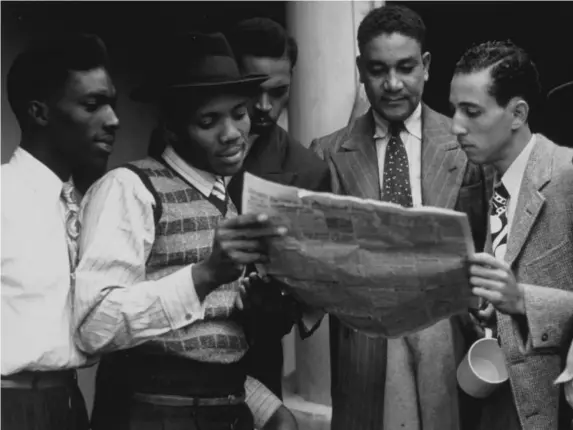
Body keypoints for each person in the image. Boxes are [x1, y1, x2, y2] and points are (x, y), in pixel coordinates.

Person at [73, 32, 297, 430]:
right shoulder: (130, 188)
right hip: (152, 413)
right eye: (208, 121)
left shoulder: (228, 197)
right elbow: (94, 326)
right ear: (172, 130)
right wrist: (203, 276)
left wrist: (270, 411)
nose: (231, 132)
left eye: (239, 113)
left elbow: (213, 354)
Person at [310, 5, 490, 430]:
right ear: (360, 70)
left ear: (425, 66)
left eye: (405, 68)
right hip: (366, 347)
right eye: (377, 70)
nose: (392, 84)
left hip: (450, 336)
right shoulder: (328, 153)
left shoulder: (467, 145)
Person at [450, 39, 573, 430]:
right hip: (499, 401)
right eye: (455, 109)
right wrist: (487, 309)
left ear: (517, 113)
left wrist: (521, 299)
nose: (455, 126)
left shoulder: (567, 176)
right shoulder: (488, 180)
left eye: (471, 112)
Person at [1, 33, 119, 430]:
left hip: (68, 405)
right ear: (39, 112)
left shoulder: (89, 206)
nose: (113, 119)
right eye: (92, 104)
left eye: (111, 104)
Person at [223, 17, 331, 399]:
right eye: (253, 89)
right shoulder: (182, 141)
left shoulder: (307, 170)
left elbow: (305, 288)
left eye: (280, 91)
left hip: (255, 355)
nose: (266, 106)